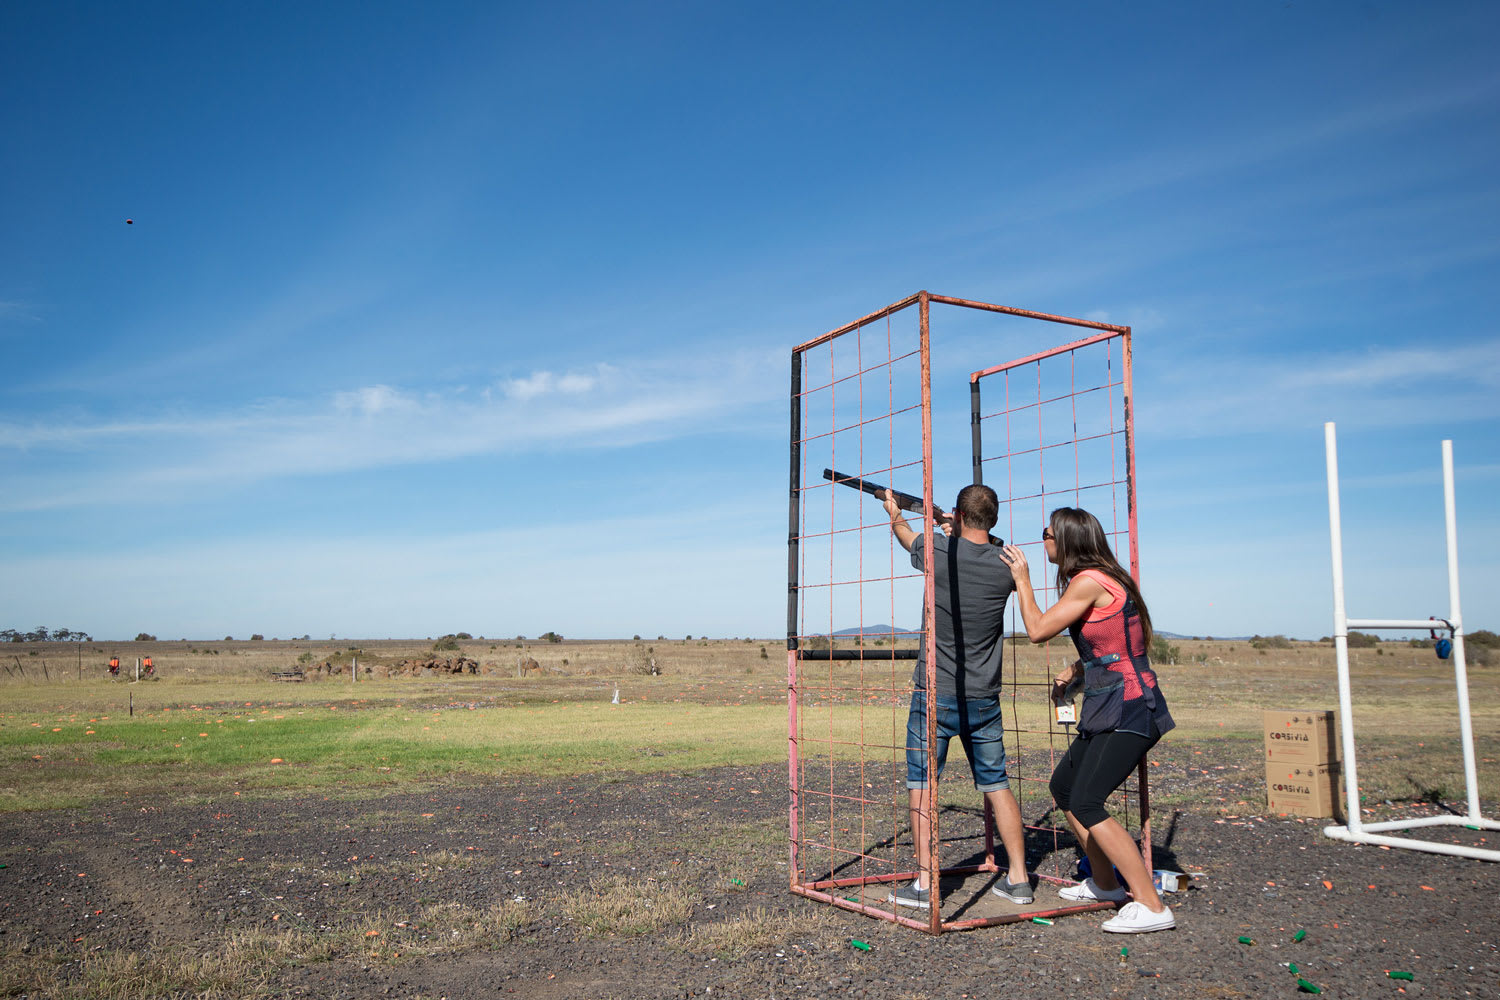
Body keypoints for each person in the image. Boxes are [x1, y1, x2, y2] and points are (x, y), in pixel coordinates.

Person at [998, 507, 1176, 934]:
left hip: (1132, 707)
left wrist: (1021, 580)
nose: (1042, 541)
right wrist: (1075, 674)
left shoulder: (1089, 581)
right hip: (1109, 704)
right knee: (1064, 787)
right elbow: (1113, 644)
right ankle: (1104, 883)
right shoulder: (1099, 579)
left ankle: (1152, 906)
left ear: (1066, 539)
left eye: (1047, 534)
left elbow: (1038, 629)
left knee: (1088, 801)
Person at [880, 484, 1031, 911]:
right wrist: (955, 530)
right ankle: (1019, 879)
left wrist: (894, 510)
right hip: (985, 697)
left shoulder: (939, 550)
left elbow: (906, 536)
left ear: (960, 517)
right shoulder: (1007, 564)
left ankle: (927, 885)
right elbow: (981, 548)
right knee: (997, 784)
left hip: (935, 691)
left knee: (923, 786)